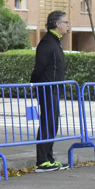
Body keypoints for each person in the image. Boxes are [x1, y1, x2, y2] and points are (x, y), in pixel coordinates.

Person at [32, 10, 70, 171]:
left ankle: (49, 157)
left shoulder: (56, 41)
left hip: (53, 89)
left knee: (52, 123)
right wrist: (33, 84)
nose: (68, 25)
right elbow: (39, 67)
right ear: (57, 24)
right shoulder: (48, 43)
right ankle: (42, 160)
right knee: (48, 123)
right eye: (66, 22)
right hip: (47, 88)